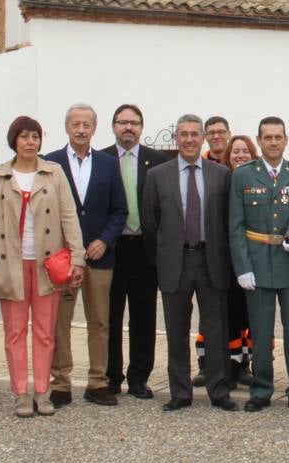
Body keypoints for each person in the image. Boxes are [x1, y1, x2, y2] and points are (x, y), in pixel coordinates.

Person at [0, 115, 85, 417]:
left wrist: (77, 257)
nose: (30, 142)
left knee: (44, 332)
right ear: (14, 140)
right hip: (10, 263)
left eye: (35, 137)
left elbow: (69, 217)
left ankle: (42, 391)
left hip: (47, 264)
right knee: (14, 333)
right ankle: (20, 393)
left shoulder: (53, 174)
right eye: (25, 136)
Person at [228, 116, 289, 412]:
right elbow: (235, 225)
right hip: (257, 262)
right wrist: (242, 267)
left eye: (277, 137)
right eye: (267, 137)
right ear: (259, 140)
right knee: (260, 331)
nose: (272, 142)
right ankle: (262, 388)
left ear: (285, 140)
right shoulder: (243, 175)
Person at [142, 114, 237, 411]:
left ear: (204, 138)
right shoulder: (158, 175)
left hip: (211, 261)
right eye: (183, 134)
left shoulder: (221, 175)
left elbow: (227, 222)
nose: (189, 139)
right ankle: (180, 392)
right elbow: (149, 223)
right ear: (176, 138)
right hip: (176, 261)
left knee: (216, 328)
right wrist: (161, 257)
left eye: (194, 134)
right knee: (176, 330)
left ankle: (219, 391)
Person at [46, 103, 128, 407]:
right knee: (60, 323)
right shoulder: (51, 163)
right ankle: (61, 383)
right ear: (67, 127)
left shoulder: (108, 164)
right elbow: (47, 212)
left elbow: (119, 210)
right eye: (75, 124)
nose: (81, 129)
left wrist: (105, 241)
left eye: (87, 125)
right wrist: (66, 246)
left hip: (99, 256)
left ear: (95, 128)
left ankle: (97, 382)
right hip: (65, 258)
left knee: (100, 321)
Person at [102, 103, 168, 399]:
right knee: (110, 316)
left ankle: (139, 377)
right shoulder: (100, 159)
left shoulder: (158, 161)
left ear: (142, 127)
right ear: (113, 126)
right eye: (122, 122)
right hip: (111, 249)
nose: (128, 127)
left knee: (143, 317)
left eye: (134, 122)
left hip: (145, 248)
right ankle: (111, 377)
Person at [195, 116, 254, 388]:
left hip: (248, 255)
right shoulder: (205, 168)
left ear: (228, 134)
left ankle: (242, 363)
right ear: (206, 136)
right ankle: (208, 364)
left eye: (222, 132)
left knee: (243, 313)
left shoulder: (248, 174)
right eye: (212, 132)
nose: (217, 136)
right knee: (212, 311)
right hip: (215, 255)